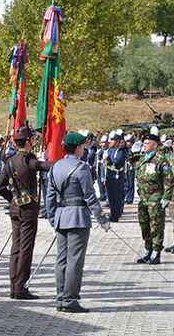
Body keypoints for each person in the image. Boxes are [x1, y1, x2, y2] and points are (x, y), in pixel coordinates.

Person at [46, 132, 108, 313]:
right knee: (75, 261)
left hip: (60, 216)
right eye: (83, 147)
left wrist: (53, 218)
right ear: (79, 148)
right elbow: (90, 196)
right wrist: (102, 219)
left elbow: (50, 196)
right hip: (78, 217)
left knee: (62, 260)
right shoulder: (81, 168)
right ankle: (70, 300)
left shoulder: (55, 166)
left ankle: (60, 298)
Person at [0, 126, 52, 300]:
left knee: (16, 248)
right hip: (28, 210)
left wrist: (15, 199)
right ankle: (21, 288)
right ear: (28, 142)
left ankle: (14, 286)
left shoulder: (10, 160)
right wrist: (60, 163)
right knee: (25, 250)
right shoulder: (28, 159)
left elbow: (0, 188)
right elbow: (42, 166)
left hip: (15, 209)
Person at [128, 128, 174, 265]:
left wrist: (166, 197)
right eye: (143, 144)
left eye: (147, 144)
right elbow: (133, 163)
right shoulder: (142, 158)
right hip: (143, 199)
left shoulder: (161, 160)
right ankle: (147, 250)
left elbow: (169, 180)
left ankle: (156, 252)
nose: (144, 146)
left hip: (155, 199)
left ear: (154, 145)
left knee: (156, 226)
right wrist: (133, 152)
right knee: (145, 226)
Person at [103, 130, 128, 222]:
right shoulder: (110, 150)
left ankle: (116, 214)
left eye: (113, 140)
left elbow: (117, 160)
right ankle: (112, 213)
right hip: (109, 175)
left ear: (117, 141)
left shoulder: (121, 150)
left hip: (117, 175)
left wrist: (108, 157)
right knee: (110, 196)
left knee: (117, 196)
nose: (111, 142)